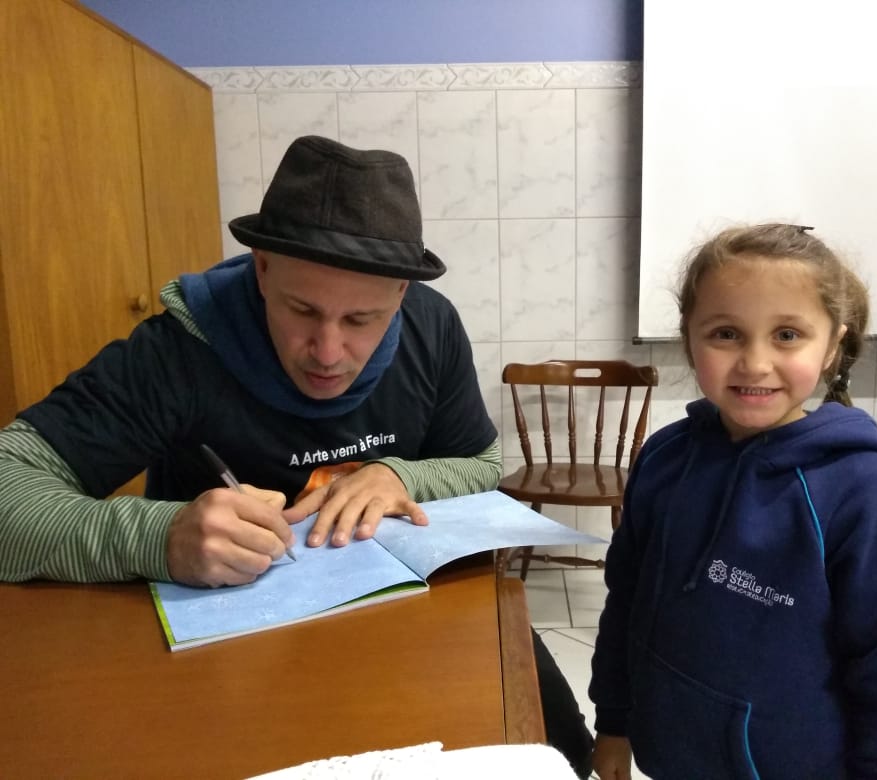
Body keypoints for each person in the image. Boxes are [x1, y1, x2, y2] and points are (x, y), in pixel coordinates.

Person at [0, 135, 593, 778]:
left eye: (361, 320)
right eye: (302, 309)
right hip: (231, 650)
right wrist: (159, 536)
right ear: (261, 269)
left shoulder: (433, 326)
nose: (328, 352)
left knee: (559, 744)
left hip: (406, 628)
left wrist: (400, 475)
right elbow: (9, 485)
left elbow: (479, 464)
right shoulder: (179, 351)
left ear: (401, 292)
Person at [589, 223, 877, 779]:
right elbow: (625, 603)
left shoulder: (865, 492)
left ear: (832, 346)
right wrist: (613, 723)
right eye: (726, 333)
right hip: (669, 757)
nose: (755, 363)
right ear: (689, 338)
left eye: (787, 335)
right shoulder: (664, 458)